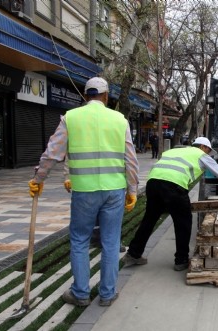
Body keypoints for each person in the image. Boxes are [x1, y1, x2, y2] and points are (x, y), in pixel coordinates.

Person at [28, 77, 139, 307]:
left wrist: (38, 179)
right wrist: (133, 189)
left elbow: (52, 153)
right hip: (114, 191)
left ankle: (80, 293)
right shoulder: (120, 120)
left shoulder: (71, 117)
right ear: (106, 96)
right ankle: (107, 295)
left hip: (84, 192)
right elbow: (131, 159)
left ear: (86, 96)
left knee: (79, 240)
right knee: (110, 241)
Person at [122, 137, 218, 271]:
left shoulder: (173, 151)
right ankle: (181, 260)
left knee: (149, 220)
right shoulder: (201, 155)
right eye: (208, 151)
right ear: (203, 147)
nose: (208, 154)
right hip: (174, 186)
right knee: (183, 223)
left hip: (153, 183)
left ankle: (133, 254)